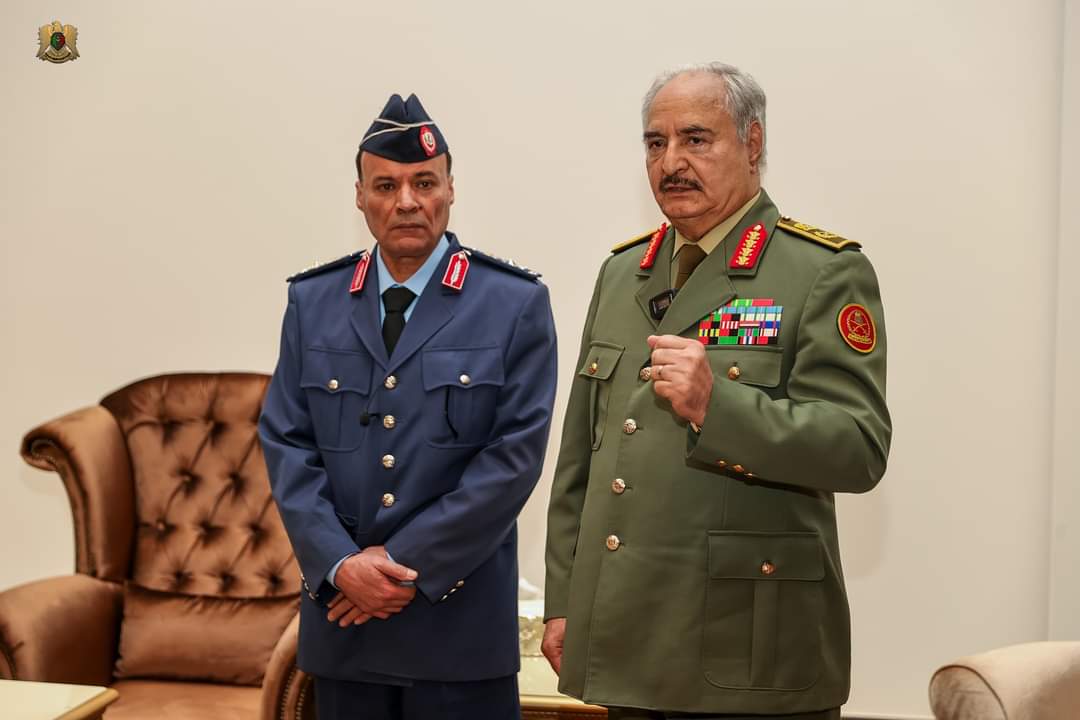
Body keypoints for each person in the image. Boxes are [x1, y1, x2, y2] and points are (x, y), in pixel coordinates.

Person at [542, 63, 892, 720]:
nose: (671, 162)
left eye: (696, 139)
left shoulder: (821, 273)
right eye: (655, 143)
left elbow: (859, 447)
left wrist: (717, 407)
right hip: (628, 637)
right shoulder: (624, 273)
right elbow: (579, 465)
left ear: (752, 144)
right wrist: (566, 600)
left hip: (747, 644)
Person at [259, 93, 558, 720]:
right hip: (346, 627)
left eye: (424, 182)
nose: (406, 201)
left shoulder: (512, 303)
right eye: (386, 185)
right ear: (361, 197)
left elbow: (513, 459)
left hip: (459, 631)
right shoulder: (314, 302)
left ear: (450, 189)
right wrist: (340, 564)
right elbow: (286, 440)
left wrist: (398, 565)